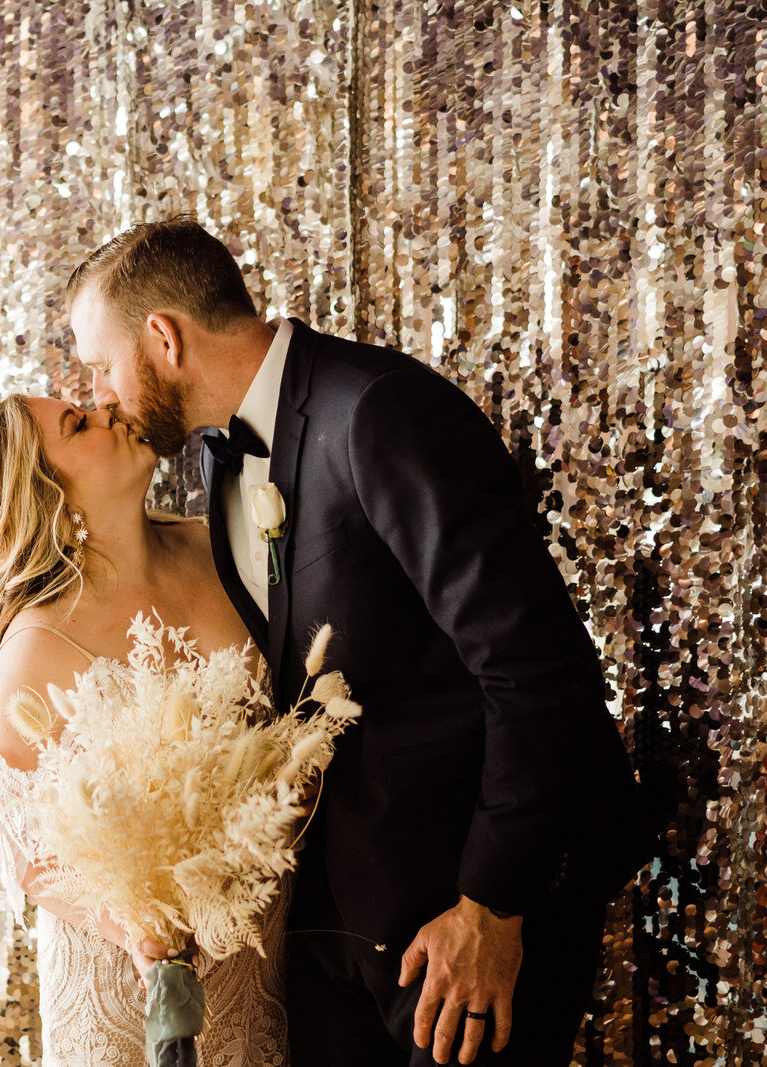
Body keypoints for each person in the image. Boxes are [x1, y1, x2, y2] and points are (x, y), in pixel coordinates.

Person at [62, 214, 652, 1067]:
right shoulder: (207, 468)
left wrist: (492, 905)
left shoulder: (378, 410)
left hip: (466, 909)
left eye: (100, 365)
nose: (99, 393)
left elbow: (537, 670)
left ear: (163, 338)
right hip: (333, 927)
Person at [0, 396, 290, 1066]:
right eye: (77, 425)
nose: (105, 407)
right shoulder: (30, 658)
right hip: (130, 992)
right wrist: (136, 929)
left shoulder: (219, 545)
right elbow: (30, 858)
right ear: (50, 500)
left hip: (258, 953)